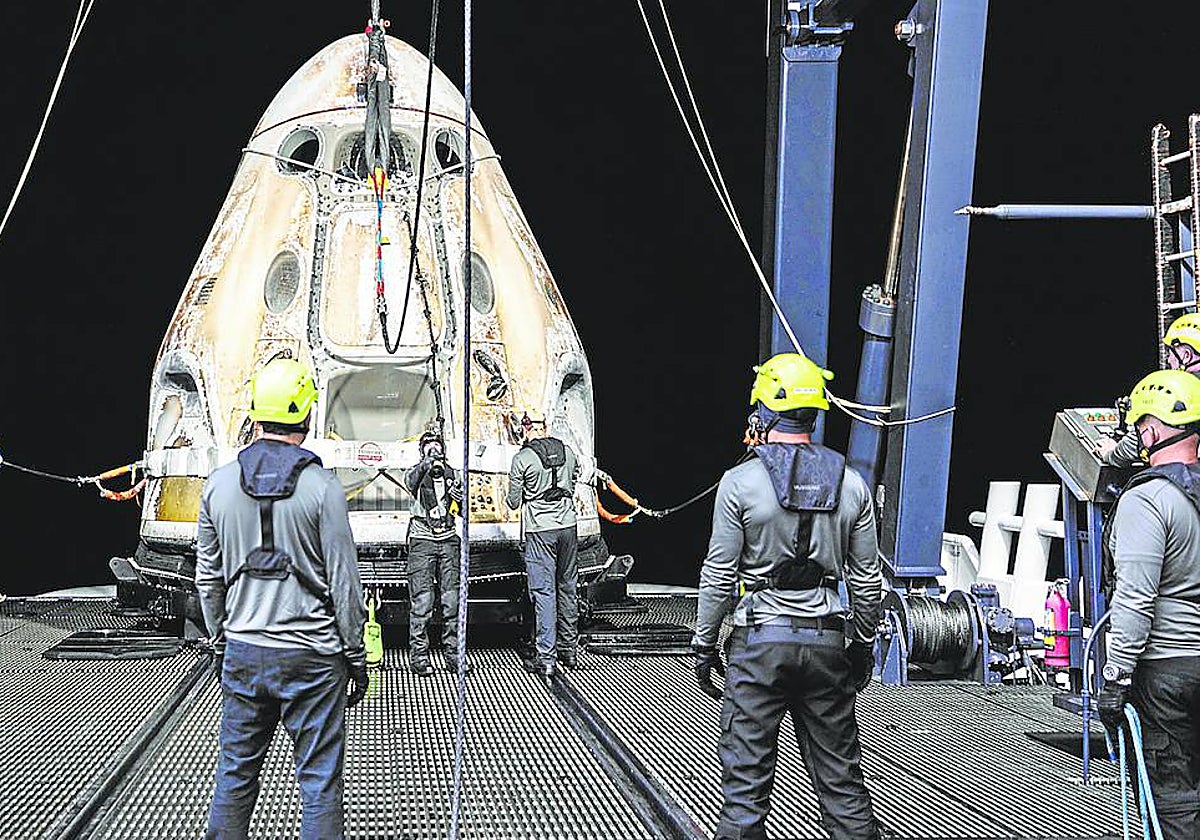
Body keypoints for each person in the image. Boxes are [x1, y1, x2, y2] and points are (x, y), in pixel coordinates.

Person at [692, 353, 883, 840]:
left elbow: (718, 574)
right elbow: (867, 584)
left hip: (758, 646)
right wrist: (860, 647)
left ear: (763, 412)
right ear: (815, 413)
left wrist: (703, 645)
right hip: (826, 643)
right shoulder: (852, 485)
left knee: (744, 792)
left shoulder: (739, 484)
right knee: (843, 787)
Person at [195, 357, 369, 840]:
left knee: (234, 776)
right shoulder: (323, 488)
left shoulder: (218, 486)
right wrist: (354, 656)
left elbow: (207, 580)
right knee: (318, 781)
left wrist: (220, 639)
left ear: (255, 413)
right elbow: (345, 584)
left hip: (244, 652)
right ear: (307, 416)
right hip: (313, 659)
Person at [1098, 369, 1200, 840]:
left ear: (1151, 430)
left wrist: (1115, 677)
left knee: (1171, 799)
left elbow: (1135, 597)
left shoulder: (1149, 500)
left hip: (1167, 673)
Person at [506, 407, 581, 677]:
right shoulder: (569, 452)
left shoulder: (522, 458)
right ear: (545, 426)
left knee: (544, 592)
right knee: (568, 587)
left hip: (540, 531)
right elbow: (574, 481)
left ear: (525, 429)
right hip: (569, 528)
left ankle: (547, 657)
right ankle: (569, 651)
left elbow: (513, 502)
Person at [404, 428, 468, 676]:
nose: (434, 450)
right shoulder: (415, 473)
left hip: (448, 538)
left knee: (452, 601)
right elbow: (410, 483)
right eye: (429, 447)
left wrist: (459, 499)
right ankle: (419, 658)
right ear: (421, 451)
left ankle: (454, 656)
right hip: (422, 540)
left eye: (437, 446)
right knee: (422, 602)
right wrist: (426, 464)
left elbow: (463, 511)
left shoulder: (454, 475)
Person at [1100, 313, 1200, 467]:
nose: (1168, 360)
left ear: (1186, 356)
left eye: (1171, 353)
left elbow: (1137, 442)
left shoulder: (1184, 390)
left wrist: (1110, 453)